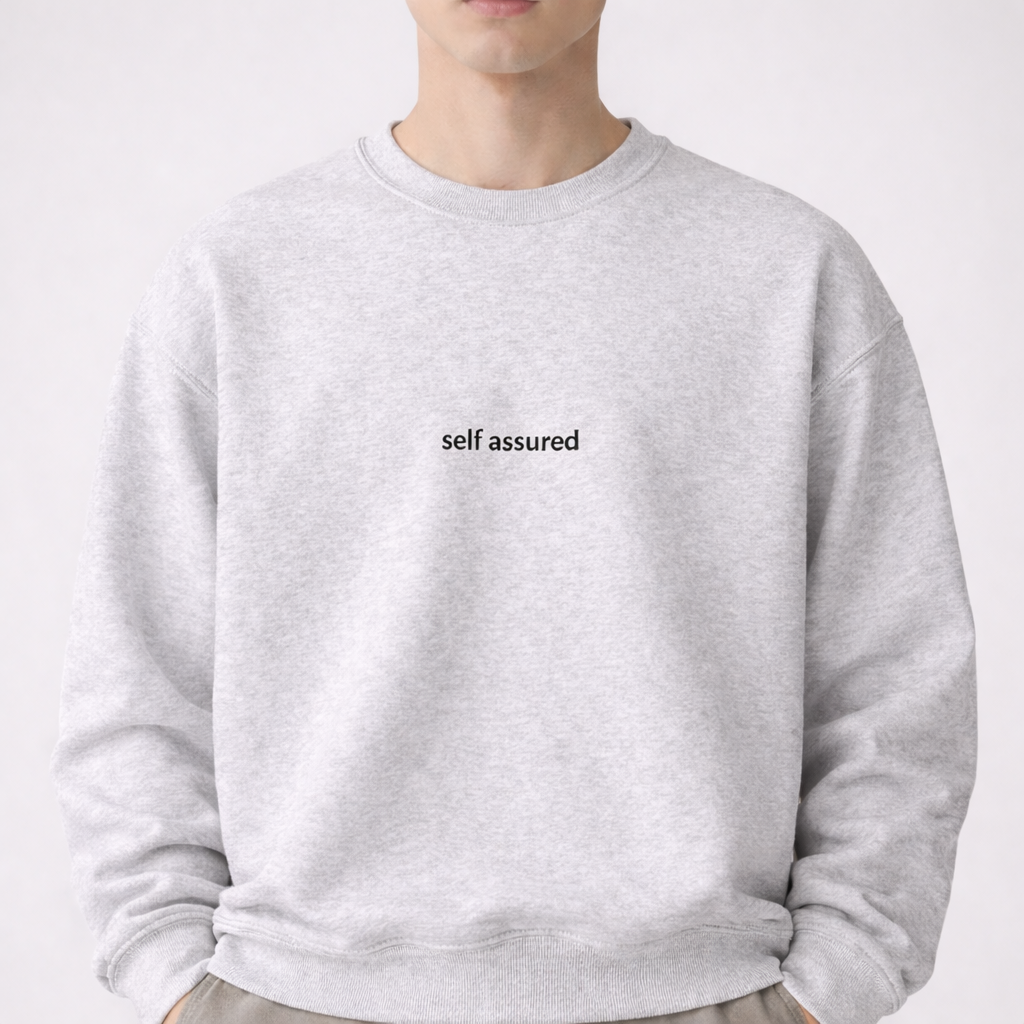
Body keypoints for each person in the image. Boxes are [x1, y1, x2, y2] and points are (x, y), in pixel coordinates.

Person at [52, 3, 977, 1024]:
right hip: (289, 990)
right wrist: (173, 974)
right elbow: (137, 671)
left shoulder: (789, 271)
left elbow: (896, 675)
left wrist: (831, 986)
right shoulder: (237, 276)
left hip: (706, 990)